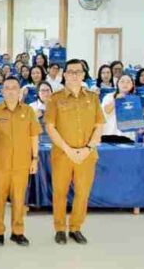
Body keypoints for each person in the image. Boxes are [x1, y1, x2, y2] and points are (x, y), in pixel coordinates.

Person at [45, 59, 105, 245]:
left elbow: (99, 125)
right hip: (63, 154)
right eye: (70, 72)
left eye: (78, 72)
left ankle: (76, 228)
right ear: (64, 75)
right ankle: (60, 229)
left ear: (83, 74)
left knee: (82, 192)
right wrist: (68, 150)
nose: (74, 75)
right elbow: (50, 127)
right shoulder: (55, 98)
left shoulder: (93, 98)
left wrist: (88, 148)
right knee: (60, 192)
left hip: (87, 155)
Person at [0, 77, 40, 247]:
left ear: (20, 91)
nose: (11, 91)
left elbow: (34, 136)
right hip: (0, 164)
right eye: (7, 88)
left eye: (14, 88)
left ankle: (18, 232)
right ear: (2, 91)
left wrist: (35, 158)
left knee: (19, 200)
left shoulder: (28, 111)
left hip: (22, 164)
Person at [101, 75, 142, 143]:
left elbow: (137, 122)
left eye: (128, 82)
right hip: (109, 135)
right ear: (117, 84)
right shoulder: (109, 96)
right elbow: (106, 111)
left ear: (132, 85)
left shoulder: (135, 99)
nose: (125, 84)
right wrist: (116, 100)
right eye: (122, 81)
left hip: (127, 137)